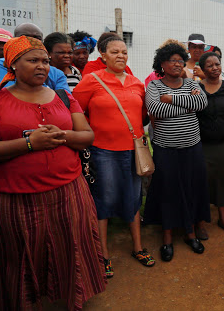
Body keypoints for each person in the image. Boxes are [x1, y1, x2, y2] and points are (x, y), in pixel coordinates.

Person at [0, 36, 105, 310]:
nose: (42, 66)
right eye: (33, 60)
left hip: (68, 192)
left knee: (71, 250)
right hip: (17, 199)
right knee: (22, 256)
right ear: (13, 65)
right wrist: (30, 144)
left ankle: (73, 297)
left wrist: (64, 135)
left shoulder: (64, 97)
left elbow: (87, 136)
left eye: (44, 60)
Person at [73, 36, 155, 278]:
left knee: (133, 198)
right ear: (103, 56)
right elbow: (75, 110)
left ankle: (138, 248)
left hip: (134, 151)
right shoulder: (92, 80)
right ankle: (103, 255)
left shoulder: (136, 83)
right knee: (104, 201)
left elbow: (142, 116)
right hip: (103, 152)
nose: (121, 55)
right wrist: (89, 133)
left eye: (124, 52)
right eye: (115, 52)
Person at [143, 39, 210, 261]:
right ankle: (168, 237)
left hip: (192, 148)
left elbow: (201, 105)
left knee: (191, 188)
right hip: (166, 150)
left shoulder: (192, 83)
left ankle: (190, 233)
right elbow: (155, 109)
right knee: (168, 192)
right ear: (162, 64)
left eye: (181, 61)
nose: (178, 64)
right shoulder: (154, 86)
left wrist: (171, 99)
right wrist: (186, 104)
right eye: (173, 61)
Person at [196, 52, 224, 235]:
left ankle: (223, 219)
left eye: (217, 64)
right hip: (202, 145)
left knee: (222, 180)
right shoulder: (196, 89)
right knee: (201, 181)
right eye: (210, 65)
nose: (215, 68)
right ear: (203, 69)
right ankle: (200, 222)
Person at [0, 23, 70, 92]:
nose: (31, 42)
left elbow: (66, 102)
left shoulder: (56, 74)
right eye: (25, 37)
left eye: (37, 38)